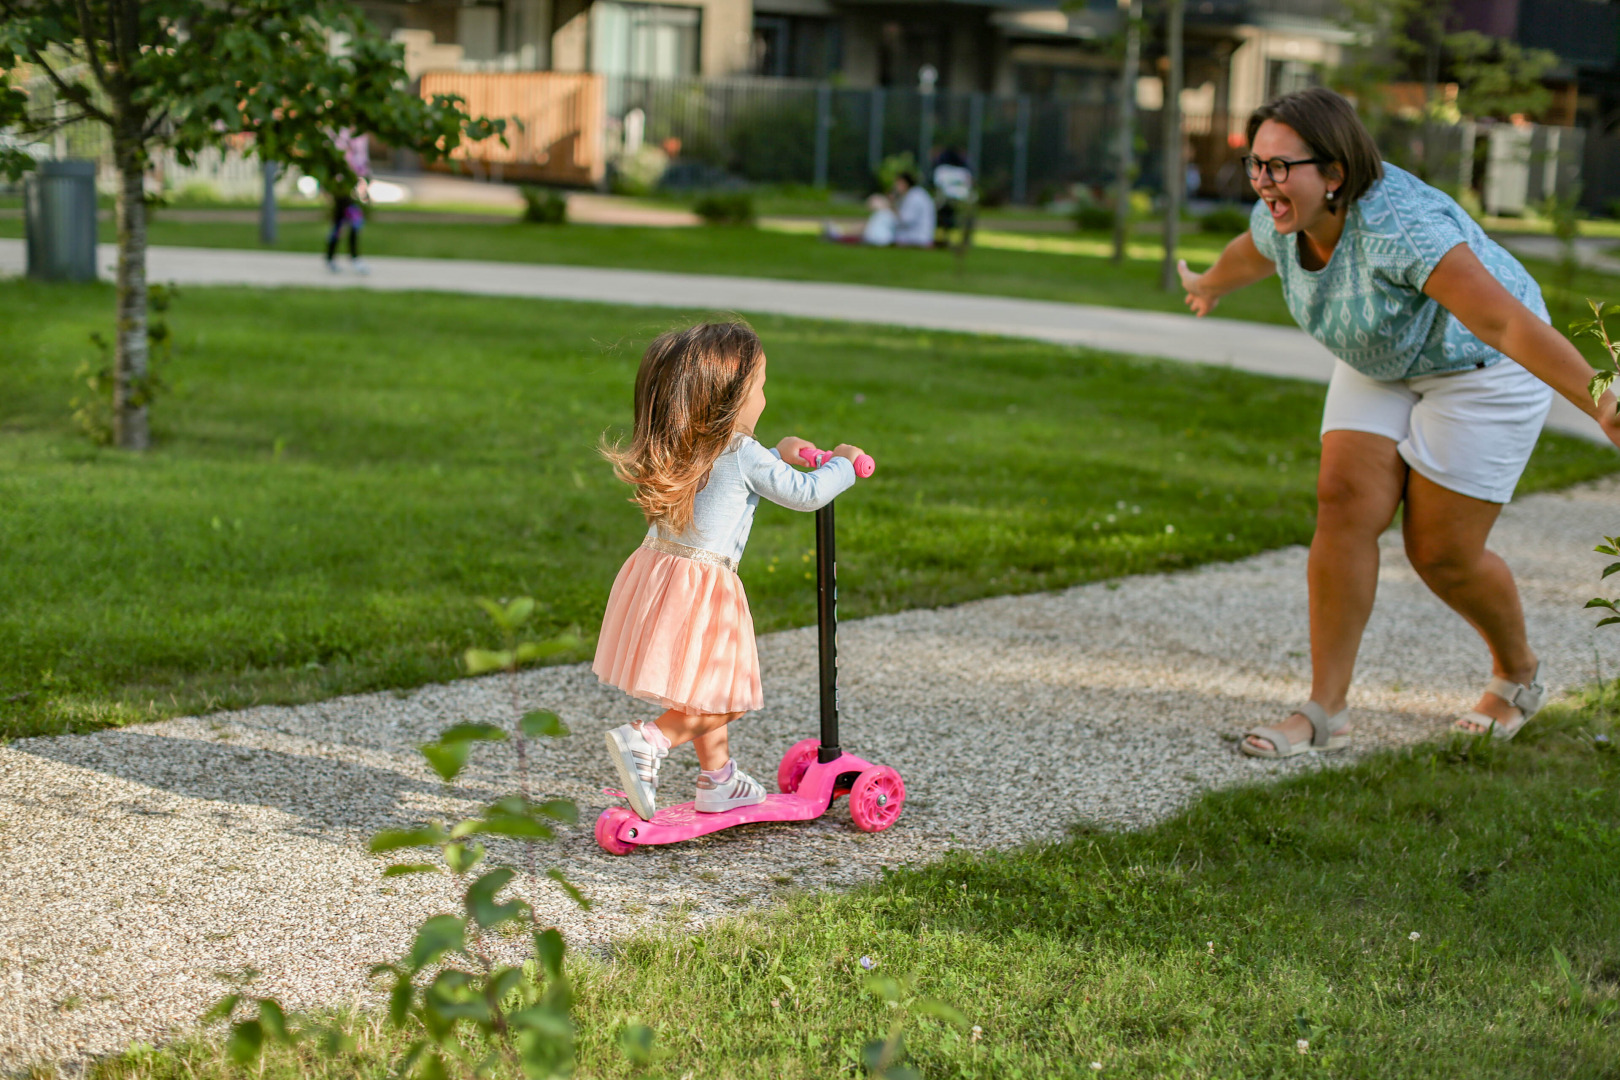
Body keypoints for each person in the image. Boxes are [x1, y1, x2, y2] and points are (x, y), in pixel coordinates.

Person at [1177, 87, 1620, 758]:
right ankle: (1325, 710)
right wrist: (1210, 283)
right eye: (1256, 165)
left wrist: (1600, 397)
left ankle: (1518, 674)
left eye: (1279, 167)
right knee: (1343, 502)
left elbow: (1502, 322)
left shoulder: (1401, 229)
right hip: (1381, 357)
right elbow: (1254, 248)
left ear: (1336, 173)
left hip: (1479, 366)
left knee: (1441, 552)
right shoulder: (1284, 214)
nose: (1264, 183)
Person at [594, 322, 866, 820]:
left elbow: (765, 470)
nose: (764, 396)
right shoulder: (742, 454)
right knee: (728, 694)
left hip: (661, 574)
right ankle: (649, 740)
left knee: (705, 683)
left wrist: (782, 454)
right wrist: (843, 465)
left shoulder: (685, 442)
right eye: (760, 386)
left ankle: (718, 779)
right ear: (733, 395)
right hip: (705, 586)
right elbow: (806, 495)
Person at [325, 128, 371, 274]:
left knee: (342, 223)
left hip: (354, 186)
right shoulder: (338, 132)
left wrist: (365, 183)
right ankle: (351, 257)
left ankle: (333, 257)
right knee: (348, 221)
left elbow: (363, 160)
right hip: (340, 185)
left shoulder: (361, 136)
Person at [892, 171, 936, 248]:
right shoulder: (913, 195)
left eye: (897, 184)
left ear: (904, 183)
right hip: (917, 237)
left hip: (917, 239)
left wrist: (891, 208)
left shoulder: (915, 196)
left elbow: (907, 220)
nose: (895, 187)